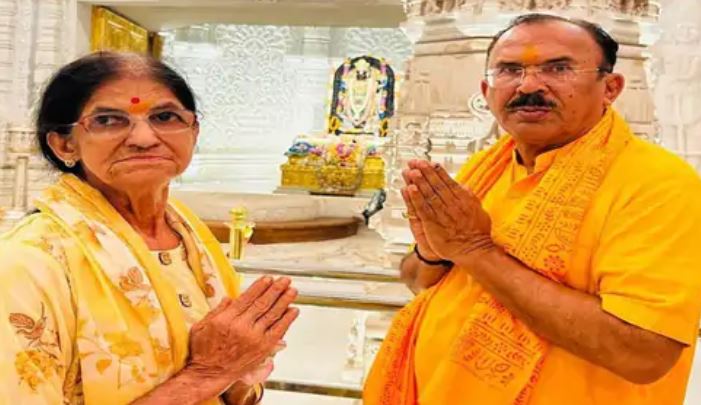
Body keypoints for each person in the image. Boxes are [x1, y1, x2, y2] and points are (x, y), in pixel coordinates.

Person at [364, 13, 701, 405]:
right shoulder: (485, 168)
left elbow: (643, 353)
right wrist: (432, 252)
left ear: (610, 88)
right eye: (509, 70)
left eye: (559, 69)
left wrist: (476, 250)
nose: (528, 86)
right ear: (486, 90)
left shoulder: (657, 184)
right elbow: (419, 279)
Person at [0, 51, 299, 405]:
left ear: (194, 132)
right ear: (65, 144)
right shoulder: (29, 263)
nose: (143, 138)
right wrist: (207, 374)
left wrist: (240, 367)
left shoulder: (189, 235)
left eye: (165, 117)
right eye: (109, 120)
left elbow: (231, 385)